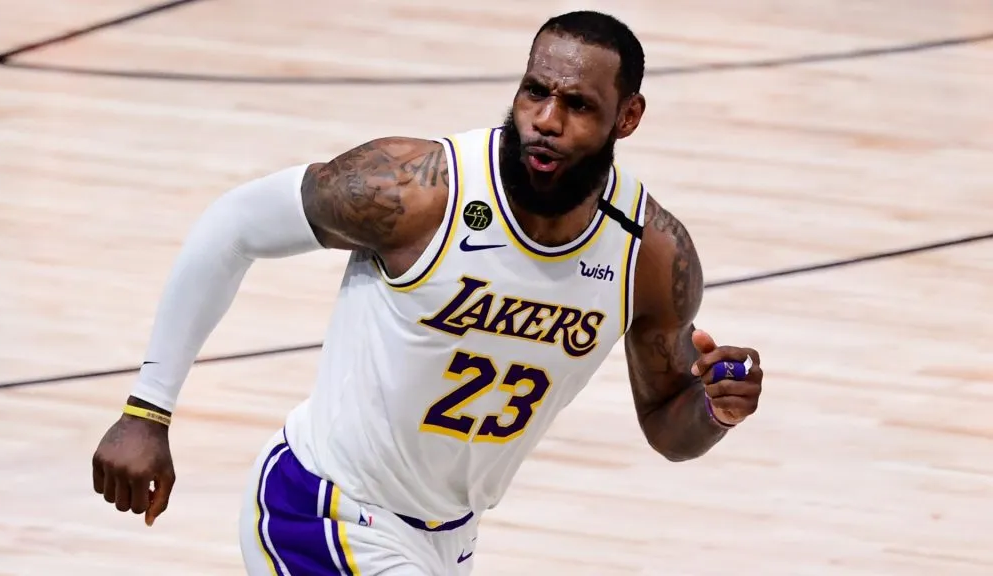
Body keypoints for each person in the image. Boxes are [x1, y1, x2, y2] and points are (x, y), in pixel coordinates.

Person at [91, 10, 764, 576]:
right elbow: (233, 225)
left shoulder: (651, 255)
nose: (545, 120)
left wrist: (715, 408)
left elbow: (669, 426)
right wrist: (148, 408)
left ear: (628, 116)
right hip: (323, 511)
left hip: (449, 539)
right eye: (534, 91)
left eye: (578, 105)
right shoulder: (418, 191)